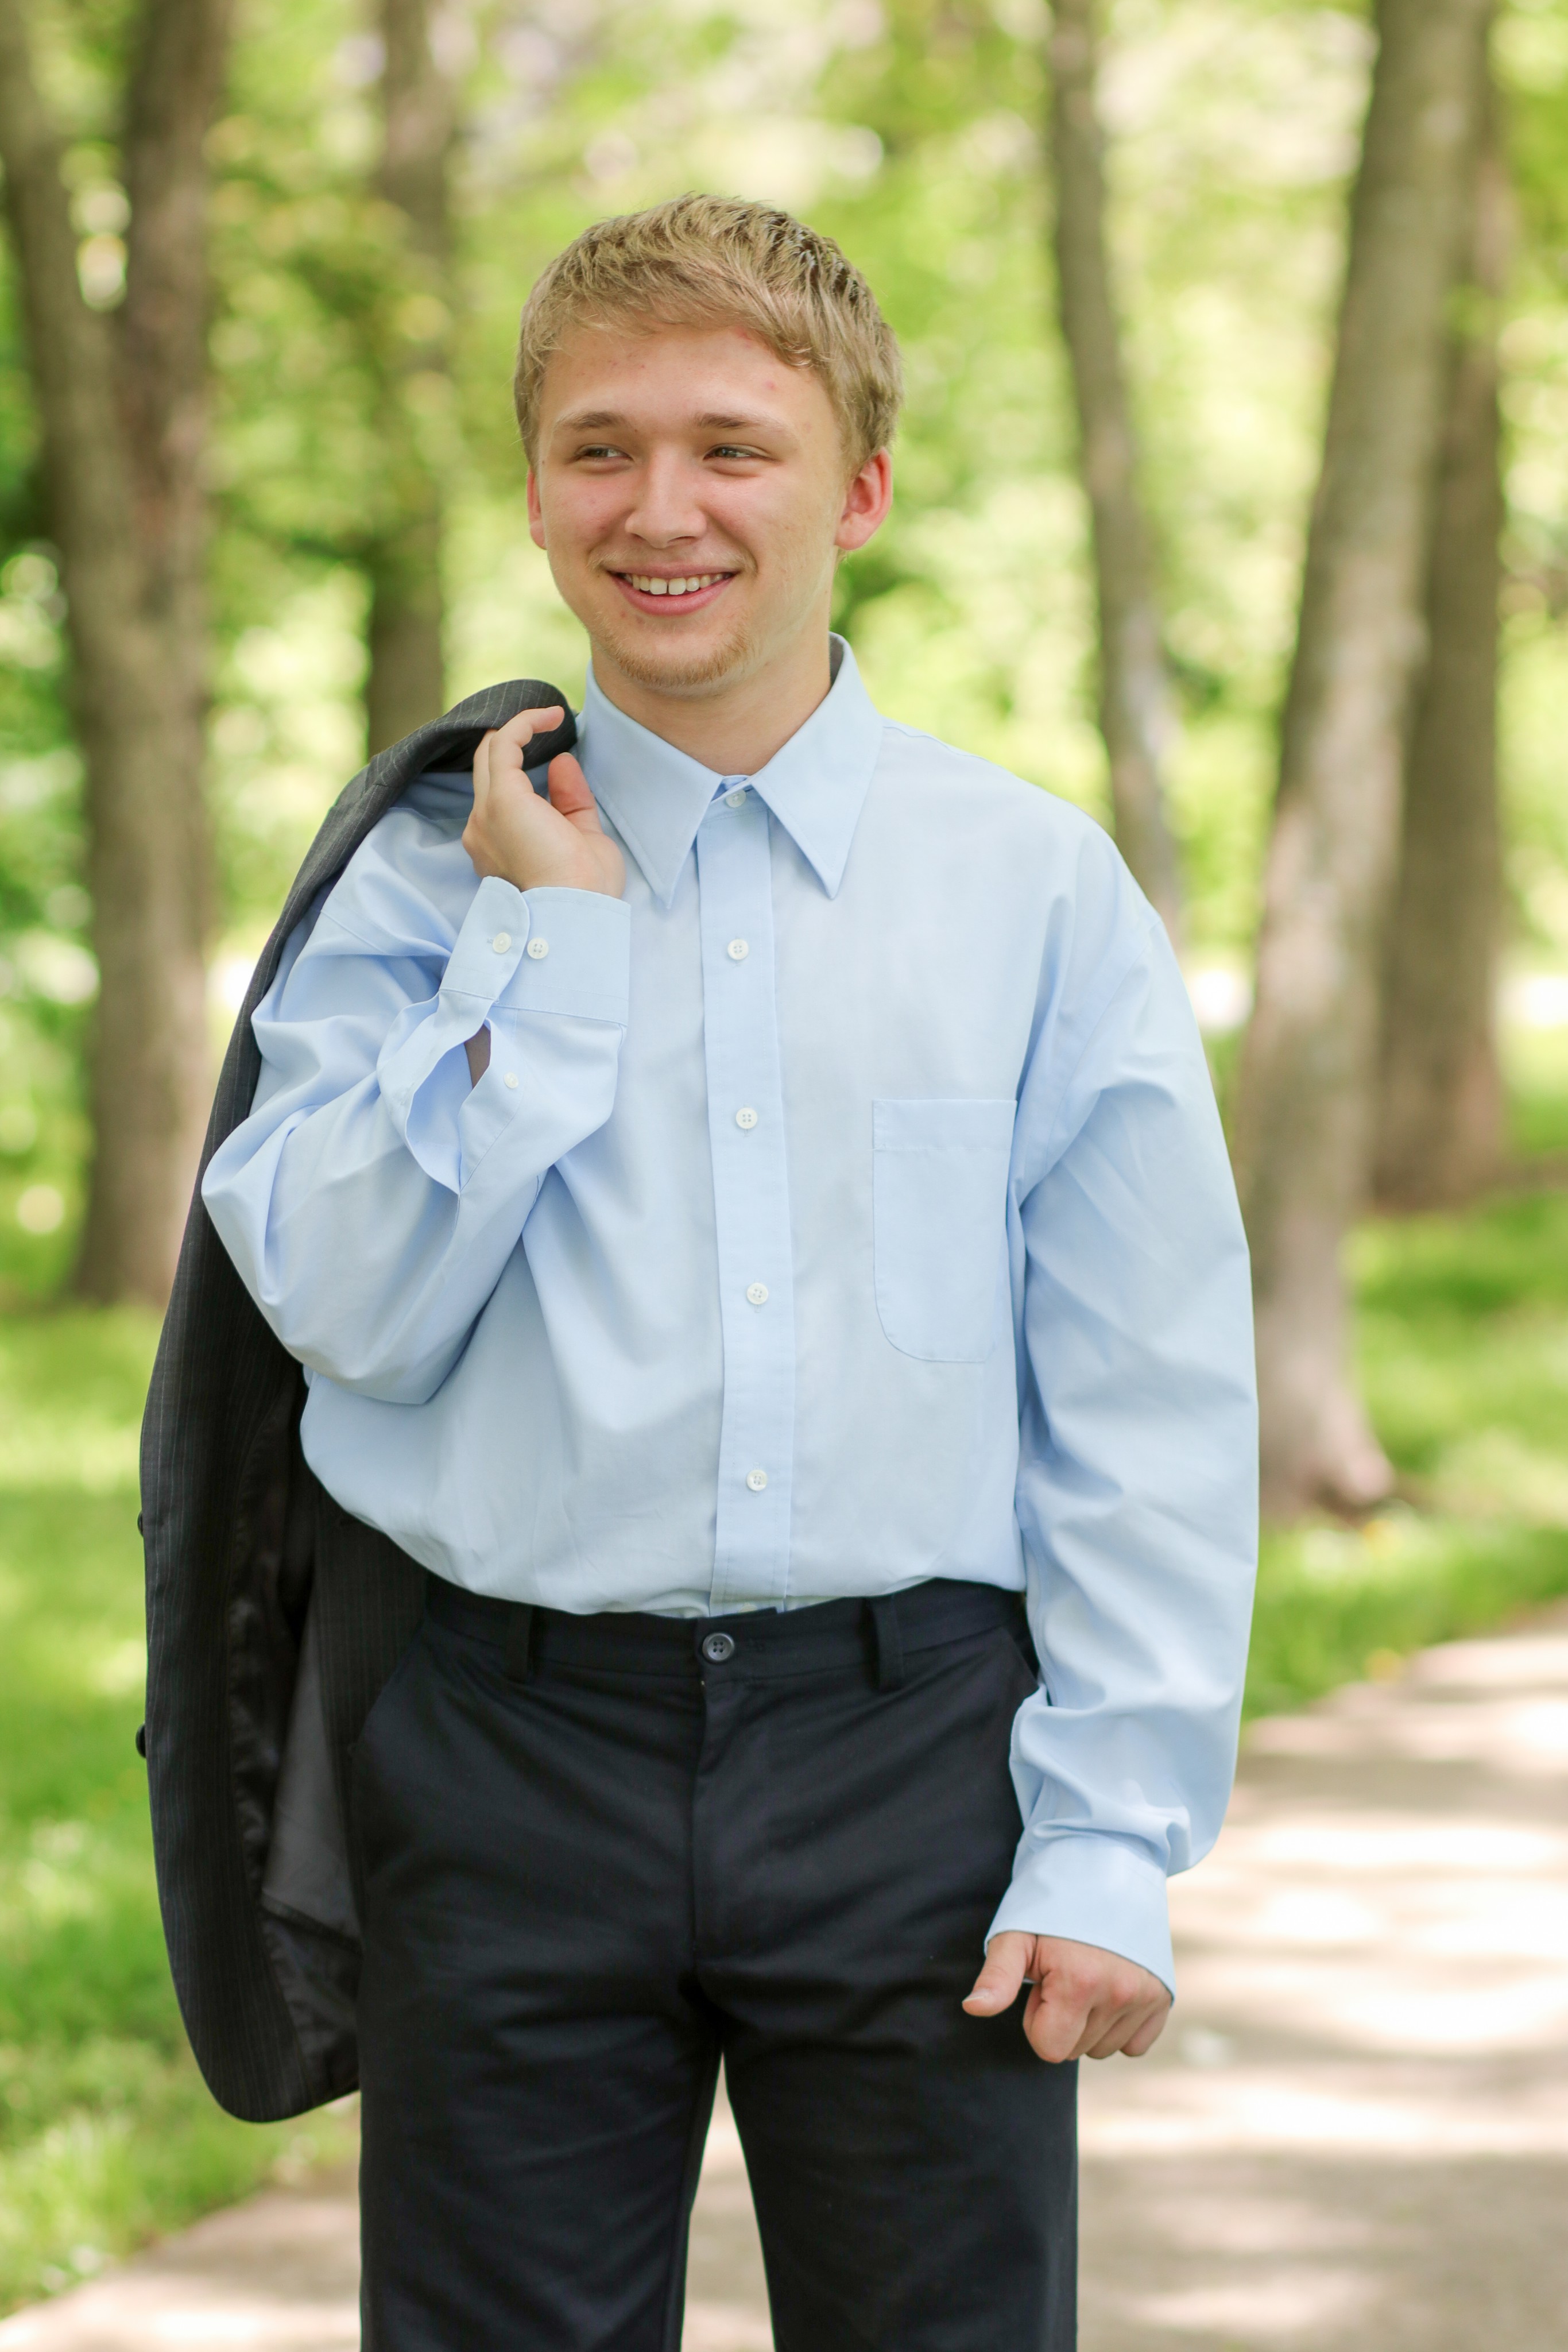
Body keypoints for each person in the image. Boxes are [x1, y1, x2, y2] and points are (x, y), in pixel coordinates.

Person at [199, 194, 1256, 2351]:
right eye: (597, 449)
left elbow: (1143, 1394)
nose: (658, 510)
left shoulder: (1030, 889)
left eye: (730, 447)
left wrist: (1107, 1838)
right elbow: (351, 1318)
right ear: (533, 494)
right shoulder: (414, 889)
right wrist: (543, 949)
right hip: (505, 1753)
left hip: (918, 1765)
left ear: (856, 489)